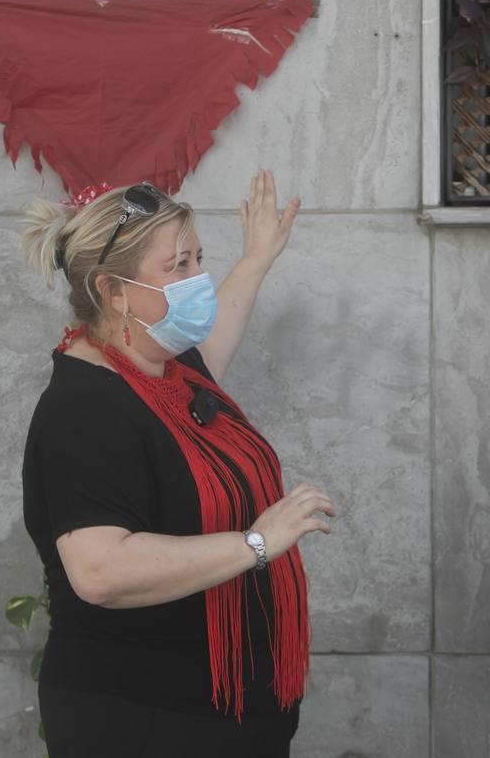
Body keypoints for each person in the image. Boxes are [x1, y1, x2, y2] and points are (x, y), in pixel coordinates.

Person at [19, 172, 336, 757]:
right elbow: (99, 571)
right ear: (114, 291)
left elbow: (221, 324)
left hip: (227, 712)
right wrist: (257, 543)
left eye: (198, 259)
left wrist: (257, 258)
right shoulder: (84, 406)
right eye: (178, 267)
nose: (200, 282)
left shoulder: (165, 367)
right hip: (147, 721)